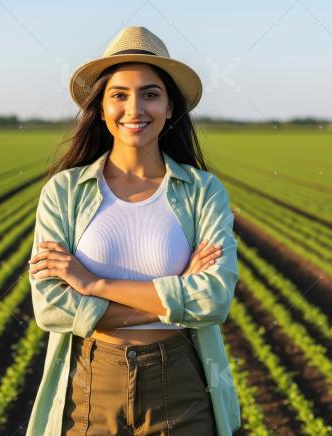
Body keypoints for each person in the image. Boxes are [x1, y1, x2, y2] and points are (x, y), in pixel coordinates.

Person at [26, 25, 241, 435]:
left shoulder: (202, 191)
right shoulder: (65, 192)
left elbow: (213, 300)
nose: (134, 108)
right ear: (101, 108)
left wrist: (91, 283)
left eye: (150, 93)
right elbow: (51, 307)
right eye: (119, 95)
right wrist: (177, 294)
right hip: (92, 383)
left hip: (179, 381)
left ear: (170, 108)